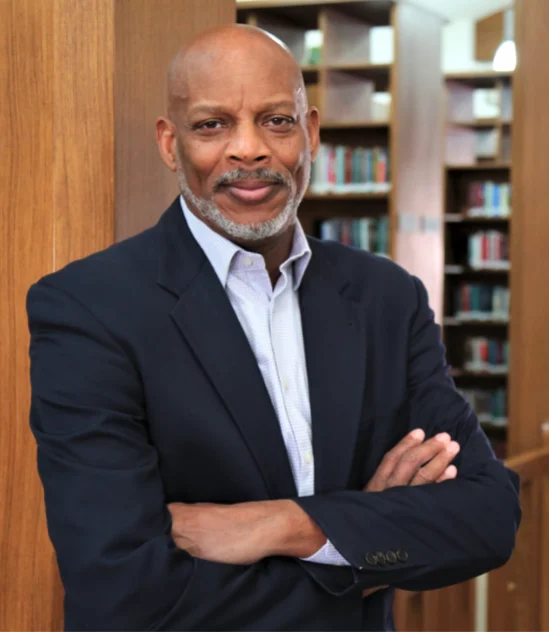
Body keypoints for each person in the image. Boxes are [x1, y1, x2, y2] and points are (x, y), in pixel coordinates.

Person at [27, 24, 520, 631]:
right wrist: (358, 540)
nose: (248, 150)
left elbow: (489, 517)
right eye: (212, 125)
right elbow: (121, 589)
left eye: (276, 121)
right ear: (168, 143)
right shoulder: (88, 307)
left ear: (310, 132)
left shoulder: (386, 299)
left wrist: (285, 525)